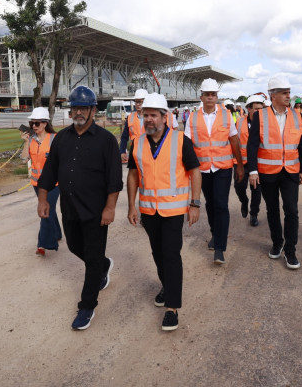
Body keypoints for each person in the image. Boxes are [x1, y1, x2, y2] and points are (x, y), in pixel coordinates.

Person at [38, 86, 123, 330]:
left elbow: (114, 179)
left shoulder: (106, 141)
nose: (79, 112)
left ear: (93, 110)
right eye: (75, 107)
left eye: (84, 107)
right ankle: (102, 266)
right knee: (75, 246)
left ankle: (87, 306)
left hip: (96, 211)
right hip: (70, 208)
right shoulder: (61, 139)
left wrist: (110, 208)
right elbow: (49, 173)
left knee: (93, 258)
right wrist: (43, 200)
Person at [126, 93, 202, 332]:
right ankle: (166, 285)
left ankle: (172, 307)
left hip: (173, 210)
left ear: (164, 117)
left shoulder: (181, 141)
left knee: (170, 255)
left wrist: (195, 203)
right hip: (149, 210)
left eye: (153, 115)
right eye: (145, 115)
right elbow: (132, 175)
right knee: (157, 254)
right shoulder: (137, 143)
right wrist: (131, 205)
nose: (148, 119)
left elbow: (195, 171)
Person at [247, 76, 302, 270]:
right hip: (268, 171)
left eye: (289, 92)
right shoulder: (260, 116)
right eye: (284, 93)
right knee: (272, 210)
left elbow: (301, 144)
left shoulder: (297, 115)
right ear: (273, 96)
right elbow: (253, 144)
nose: (288, 96)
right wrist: (253, 170)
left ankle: (291, 250)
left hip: (290, 171)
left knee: (291, 210)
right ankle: (277, 242)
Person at [185, 78, 244, 265]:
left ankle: (219, 247)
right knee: (210, 204)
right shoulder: (192, 118)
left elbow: (234, 140)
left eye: (214, 94)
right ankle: (214, 233)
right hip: (202, 169)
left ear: (217, 97)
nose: (211, 97)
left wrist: (240, 165)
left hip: (222, 167)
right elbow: (187, 145)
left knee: (220, 204)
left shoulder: (227, 115)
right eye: (207, 94)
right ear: (201, 97)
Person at [20, 107, 60, 256]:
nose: (34, 127)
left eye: (37, 123)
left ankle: (43, 244)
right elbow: (24, 159)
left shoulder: (55, 139)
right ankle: (57, 233)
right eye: (32, 124)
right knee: (49, 209)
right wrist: (25, 142)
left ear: (45, 123)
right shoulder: (30, 140)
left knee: (45, 210)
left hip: (54, 184)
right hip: (37, 184)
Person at [233, 94, 265, 227]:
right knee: (239, 187)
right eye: (256, 109)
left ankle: (254, 214)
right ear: (248, 109)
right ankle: (244, 201)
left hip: (258, 164)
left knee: (256, 191)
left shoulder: (265, 123)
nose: (259, 112)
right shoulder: (239, 122)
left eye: (261, 109)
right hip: (241, 163)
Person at [119, 89, 149, 164]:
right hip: (134, 151)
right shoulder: (130, 117)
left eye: (140, 102)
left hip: (149, 151)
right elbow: (124, 137)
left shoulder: (151, 117)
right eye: (136, 102)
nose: (138, 104)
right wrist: (122, 151)